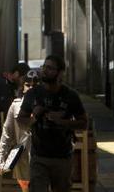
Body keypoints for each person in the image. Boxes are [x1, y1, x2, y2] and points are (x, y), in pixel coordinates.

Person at [17, 54, 88, 192]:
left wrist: (62, 121)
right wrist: (34, 117)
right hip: (39, 156)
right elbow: (21, 120)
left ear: (60, 73)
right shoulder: (33, 94)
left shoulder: (70, 95)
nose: (44, 70)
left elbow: (84, 123)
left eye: (50, 68)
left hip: (62, 157)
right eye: (44, 66)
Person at [0, 70, 40, 192]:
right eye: (28, 85)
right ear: (23, 87)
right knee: (26, 188)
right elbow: (7, 133)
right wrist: (0, 160)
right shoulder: (15, 105)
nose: (31, 88)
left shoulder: (48, 105)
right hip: (22, 156)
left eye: (35, 85)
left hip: (43, 156)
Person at [0, 62, 31, 127]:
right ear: (16, 74)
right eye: (23, 78)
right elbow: (5, 108)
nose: (24, 81)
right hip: (1, 123)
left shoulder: (13, 85)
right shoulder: (3, 86)